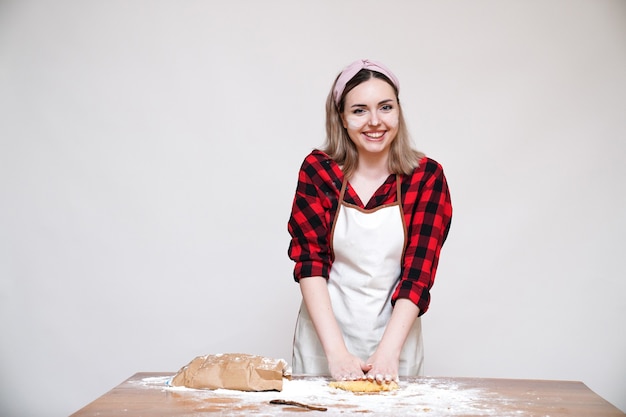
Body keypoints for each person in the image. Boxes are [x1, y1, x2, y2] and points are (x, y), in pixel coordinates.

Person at [287, 59, 452, 385]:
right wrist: (335, 353)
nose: (375, 121)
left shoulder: (425, 177)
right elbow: (310, 263)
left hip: (395, 345)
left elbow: (418, 273)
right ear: (342, 119)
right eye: (359, 110)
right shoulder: (319, 171)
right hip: (323, 345)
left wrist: (388, 353)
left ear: (398, 112)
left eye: (385, 107)